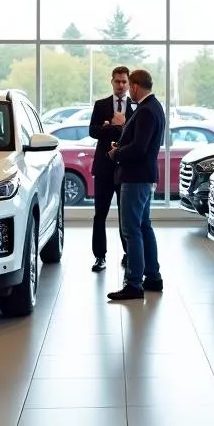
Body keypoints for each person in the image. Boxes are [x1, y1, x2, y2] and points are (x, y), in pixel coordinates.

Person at [107, 68, 165, 301]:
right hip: (144, 176)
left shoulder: (145, 111)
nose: (128, 89)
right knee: (143, 227)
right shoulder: (155, 108)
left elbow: (139, 148)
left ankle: (133, 283)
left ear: (135, 86)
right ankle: (152, 277)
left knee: (131, 230)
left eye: (129, 85)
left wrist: (116, 153)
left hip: (135, 177)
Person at [88, 66, 134, 272]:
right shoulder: (101, 105)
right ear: (112, 81)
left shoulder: (136, 106)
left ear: (129, 83)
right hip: (104, 168)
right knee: (100, 214)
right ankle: (100, 257)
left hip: (126, 168)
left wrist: (118, 127)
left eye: (124, 82)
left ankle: (129, 254)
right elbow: (92, 131)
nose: (121, 85)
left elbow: (136, 136)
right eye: (118, 81)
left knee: (127, 216)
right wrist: (113, 127)